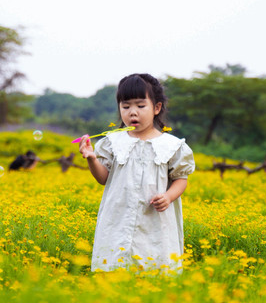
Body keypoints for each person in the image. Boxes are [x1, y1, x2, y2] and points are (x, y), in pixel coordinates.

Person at [79, 73, 195, 273]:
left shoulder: (171, 146)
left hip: (155, 218)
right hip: (118, 217)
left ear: (156, 108)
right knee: (115, 264)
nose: (133, 112)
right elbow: (103, 178)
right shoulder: (112, 142)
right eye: (126, 107)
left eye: (141, 106)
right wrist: (92, 158)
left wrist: (168, 196)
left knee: (154, 265)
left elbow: (180, 179)